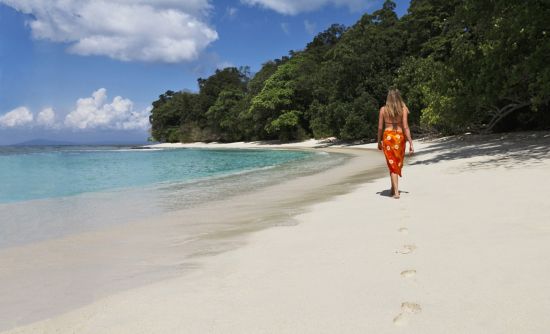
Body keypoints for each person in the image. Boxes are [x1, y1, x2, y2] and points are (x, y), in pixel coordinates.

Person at [377, 89, 414, 199]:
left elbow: (380, 128)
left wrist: (379, 141)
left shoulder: (383, 110)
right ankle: (393, 188)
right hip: (399, 138)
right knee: (395, 164)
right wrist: (411, 143)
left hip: (388, 138)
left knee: (392, 164)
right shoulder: (403, 109)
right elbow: (406, 127)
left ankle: (396, 192)